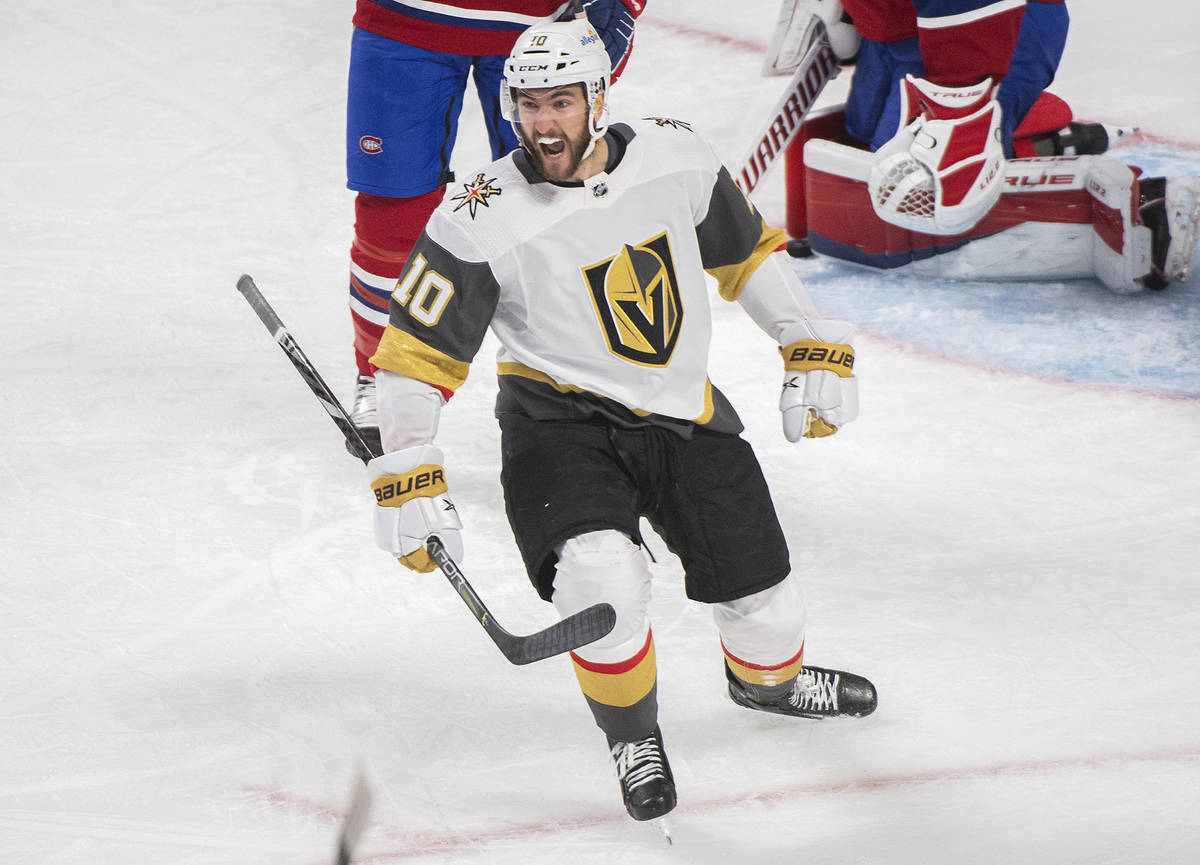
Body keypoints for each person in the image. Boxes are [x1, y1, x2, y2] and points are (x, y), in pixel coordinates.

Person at [364, 17, 878, 824]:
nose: (543, 122)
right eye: (528, 104)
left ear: (598, 99)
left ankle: (768, 681)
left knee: (767, 608)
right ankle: (631, 734)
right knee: (602, 579)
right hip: (557, 423)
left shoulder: (674, 155)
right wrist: (408, 468)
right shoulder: (477, 214)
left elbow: (746, 252)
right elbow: (414, 355)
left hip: (682, 411)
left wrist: (806, 339)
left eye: (561, 102)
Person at [344, 0, 646, 454]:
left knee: (556, 206)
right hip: (404, 20)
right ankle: (383, 374)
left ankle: (571, 383)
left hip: (543, 31)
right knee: (392, 219)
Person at [769, 0, 1200, 293]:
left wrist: (962, 97)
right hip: (906, 32)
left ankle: (1134, 207)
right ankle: (1034, 133)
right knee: (864, 132)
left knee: (920, 179)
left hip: (995, 27)